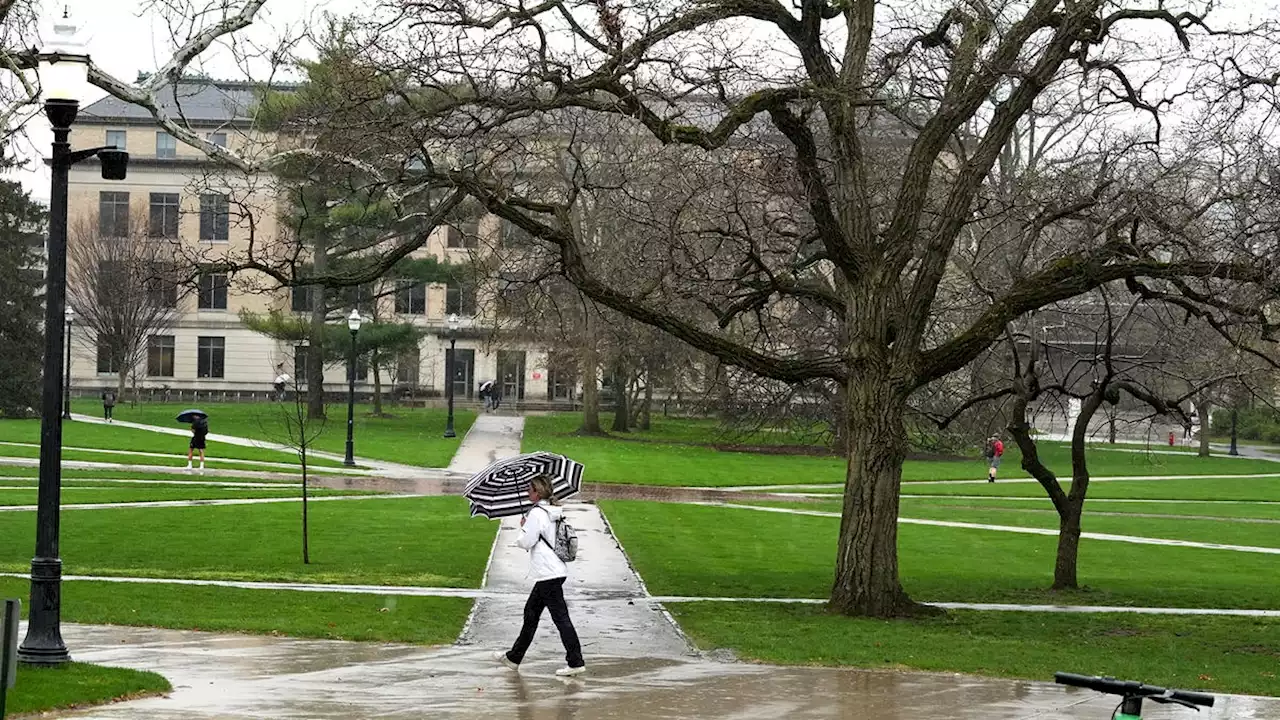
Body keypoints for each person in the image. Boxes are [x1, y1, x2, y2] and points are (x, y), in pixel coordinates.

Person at [493, 475, 585, 677]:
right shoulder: (553, 511)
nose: (527, 492)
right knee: (531, 613)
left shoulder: (536, 513)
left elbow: (527, 542)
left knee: (560, 618)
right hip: (554, 571)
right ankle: (514, 657)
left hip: (547, 573)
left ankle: (575, 661)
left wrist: (523, 527)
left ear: (537, 492)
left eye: (530, 489)